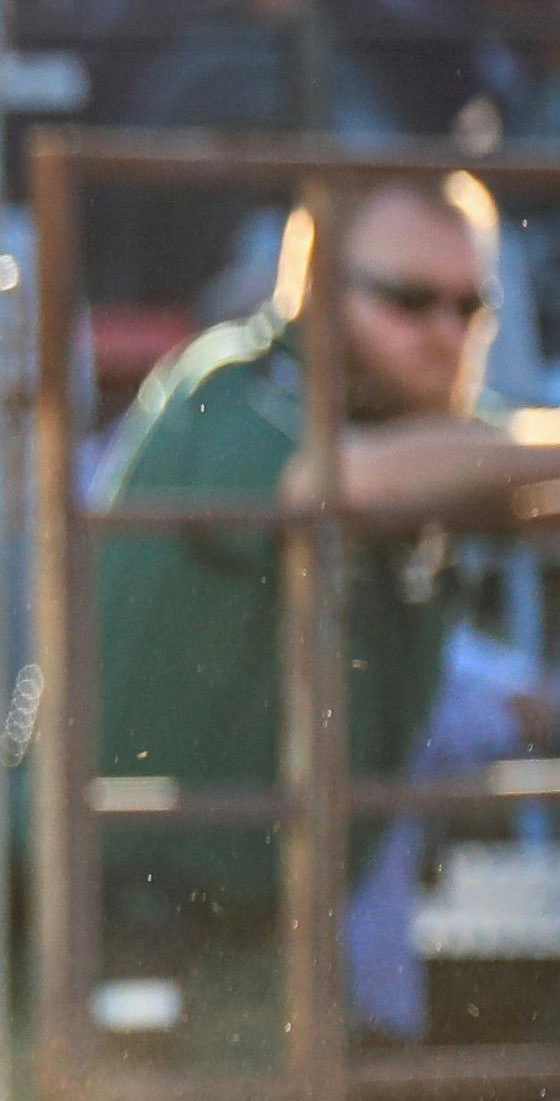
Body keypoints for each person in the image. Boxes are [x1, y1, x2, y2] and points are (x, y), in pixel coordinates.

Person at [89, 170, 560, 1050]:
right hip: (121, 927)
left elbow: (504, 456)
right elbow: (330, 480)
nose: (446, 334)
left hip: (259, 932)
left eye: (472, 307)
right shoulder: (229, 388)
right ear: (316, 291)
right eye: (410, 301)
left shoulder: (425, 430)